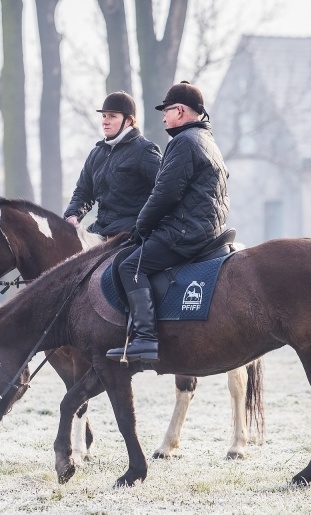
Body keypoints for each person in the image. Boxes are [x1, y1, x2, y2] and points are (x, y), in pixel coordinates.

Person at [106, 81, 230, 364]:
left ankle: (145, 340)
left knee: (130, 266)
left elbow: (165, 193)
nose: (163, 117)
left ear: (181, 111)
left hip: (186, 230)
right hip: (208, 227)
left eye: (167, 111)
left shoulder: (183, 142)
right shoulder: (207, 141)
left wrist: (141, 227)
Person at [64, 92, 162, 242]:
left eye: (112, 116)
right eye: (104, 116)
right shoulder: (96, 153)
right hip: (100, 229)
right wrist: (72, 216)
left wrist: (145, 223)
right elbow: (83, 192)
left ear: (128, 121)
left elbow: (166, 189)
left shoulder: (145, 151)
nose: (105, 121)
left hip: (131, 234)